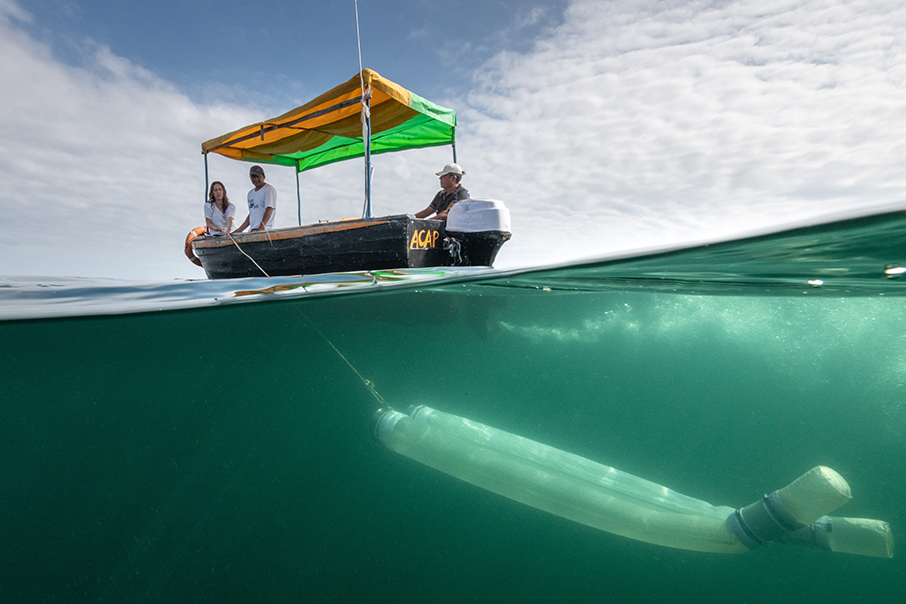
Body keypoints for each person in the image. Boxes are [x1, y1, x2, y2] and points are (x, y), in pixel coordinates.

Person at [233, 165, 276, 233]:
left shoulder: (268, 189)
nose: (255, 179)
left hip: (264, 230)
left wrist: (261, 227)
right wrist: (240, 229)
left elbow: (269, 209)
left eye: (258, 176)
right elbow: (252, 214)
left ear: (264, 177)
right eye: (253, 177)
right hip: (253, 230)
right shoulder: (250, 193)